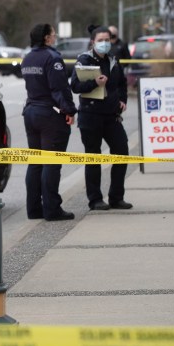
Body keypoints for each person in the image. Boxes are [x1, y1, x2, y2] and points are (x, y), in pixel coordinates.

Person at [70, 25, 133, 211]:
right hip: (90, 115)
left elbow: (121, 83)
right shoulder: (84, 60)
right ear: (93, 42)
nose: (105, 43)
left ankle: (116, 197)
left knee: (121, 153)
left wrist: (122, 99)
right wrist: (93, 83)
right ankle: (95, 199)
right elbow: (74, 85)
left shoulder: (114, 60)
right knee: (93, 157)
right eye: (101, 40)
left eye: (108, 39)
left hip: (112, 115)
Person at [21, 23, 77, 221]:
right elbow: (59, 88)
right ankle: (52, 209)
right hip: (50, 115)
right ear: (46, 37)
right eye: (53, 34)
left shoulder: (28, 58)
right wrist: (69, 110)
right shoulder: (52, 58)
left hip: (31, 112)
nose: (55, 37)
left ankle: (34, 209)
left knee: (35, 162)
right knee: (51, 163)